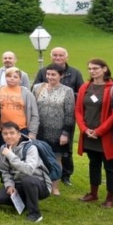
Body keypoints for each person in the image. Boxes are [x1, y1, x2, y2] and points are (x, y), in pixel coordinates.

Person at [75, 59, 113, 209]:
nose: (92, 71)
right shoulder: (85, 87)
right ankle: (93, 193)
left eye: (96, 68)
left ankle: (110, 198)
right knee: (93, 164)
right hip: (88, 134)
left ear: (105, 69)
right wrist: (84, 129)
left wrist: (99, 131)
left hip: (105, 135)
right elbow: (79, 110)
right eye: (90, 69)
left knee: (110, 166)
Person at [35, 47, 83, 184]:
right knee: (40, 152)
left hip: (61, 124)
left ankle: (64, 177)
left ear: (66, 57)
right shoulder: (41, 78)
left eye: (61, 55)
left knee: (62, 154)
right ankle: (42, 179)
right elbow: (35, 98)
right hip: (42, 126)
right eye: (55, 55)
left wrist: (65, 132)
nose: (58, 57)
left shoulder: (75, 74)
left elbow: (80, 94)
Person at [0, 122, 52, 223]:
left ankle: (35, 214)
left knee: (27, 180)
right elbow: (4, 171)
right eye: (5, 134)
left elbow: (29, 170)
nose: (9, 136)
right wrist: (9, 185)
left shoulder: (31, 148)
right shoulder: (3, 148)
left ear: (19, 134)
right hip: (18, 184)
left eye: (12, 133)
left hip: (39, 184)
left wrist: (10, 155)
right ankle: (24, 203)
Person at [31, 63, 76, 196]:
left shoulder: (67, 91)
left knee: (56, 159)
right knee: (38, 157)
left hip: (57, 131)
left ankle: (55, 186)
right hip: (39, 129)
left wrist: (65, 133)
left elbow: (69, 114)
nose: (50, 77)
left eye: (53, 75)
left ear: (61, 76)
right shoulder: (37, 88)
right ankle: (41, 184)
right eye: (48, 74)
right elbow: (32, 108)